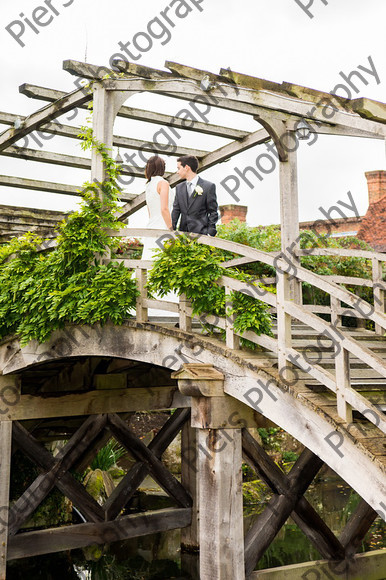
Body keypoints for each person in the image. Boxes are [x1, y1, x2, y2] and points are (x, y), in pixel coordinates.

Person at [172, 155, 219, 236]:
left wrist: (210, 231)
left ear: (186, 167)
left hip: (201, 235)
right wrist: (171, 231)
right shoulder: (179, 187)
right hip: (183, 236)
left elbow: (213, 212)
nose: (177, 172)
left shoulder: (208, 186)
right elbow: (176, 210)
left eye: (178, 168)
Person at [142, 155, 173, 260]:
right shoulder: (163, 183)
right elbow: (164, 209)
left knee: (149, 257)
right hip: (162, 225)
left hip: (151, 224)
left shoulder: (149, 186)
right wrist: (171, 230)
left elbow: (150, 212)